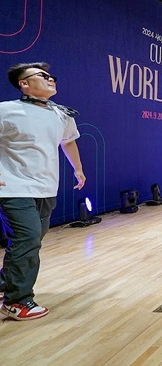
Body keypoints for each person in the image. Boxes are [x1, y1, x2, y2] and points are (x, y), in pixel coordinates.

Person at [0, 62, 86, 320]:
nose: (51, 79)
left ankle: (7, 282)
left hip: (47, 187)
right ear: (24, 84)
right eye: (43, 76)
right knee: (27, 239)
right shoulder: (6, 110)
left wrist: (78, 169)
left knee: (31, 241)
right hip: (13, 187)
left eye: (52, 76)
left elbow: (68, 142)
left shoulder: (61, 114)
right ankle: (17, 301)